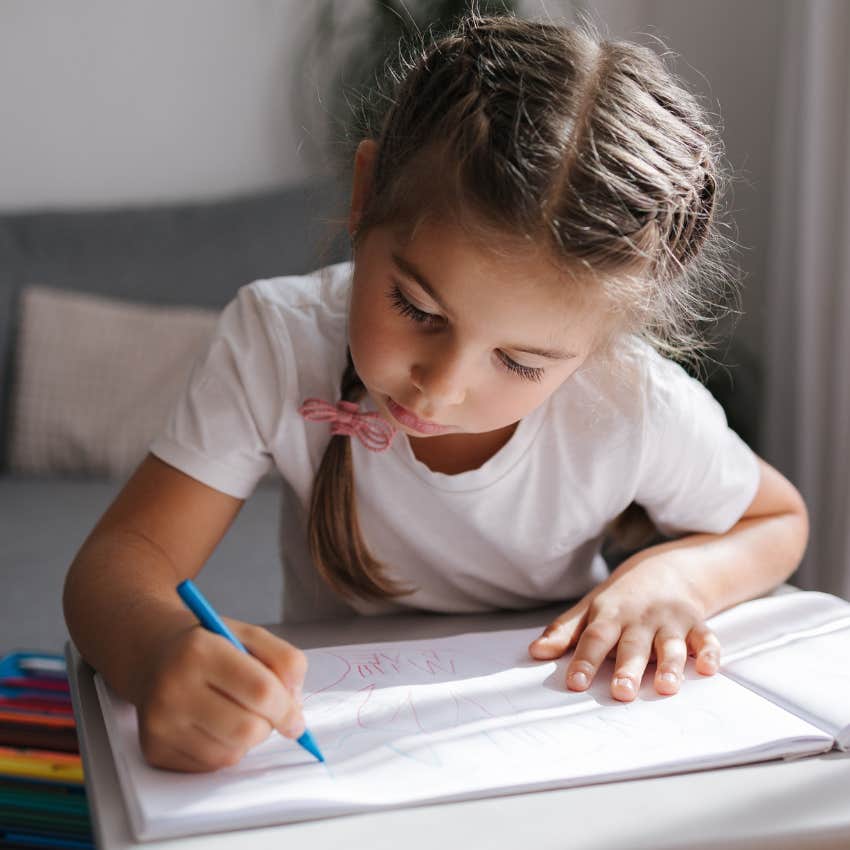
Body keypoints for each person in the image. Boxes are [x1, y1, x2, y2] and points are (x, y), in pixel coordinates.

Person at [63, 13, 808, 773]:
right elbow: (119, 566)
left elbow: (777, 518)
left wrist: (674, 574)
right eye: (416, 310)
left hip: (560, 736)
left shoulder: (627, 400)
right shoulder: (276, 340)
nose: (442, 386)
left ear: (597, 347)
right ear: (363, 196)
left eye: (520, 363)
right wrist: (160, 651)